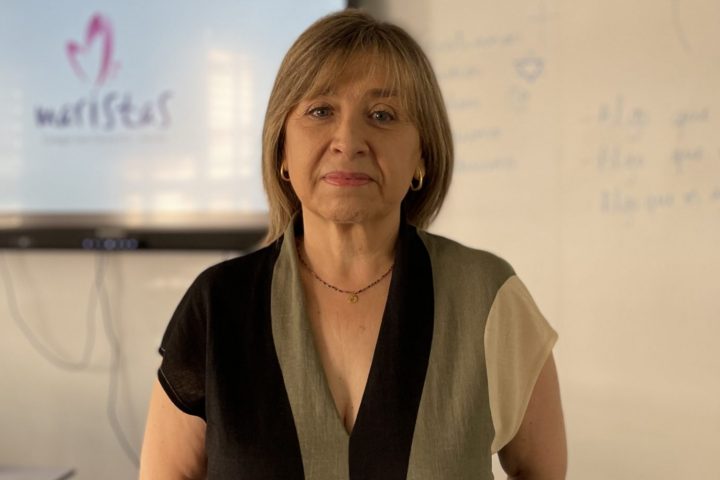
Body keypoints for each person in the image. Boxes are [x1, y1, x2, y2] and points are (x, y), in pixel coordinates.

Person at [139, 9, 566, 480]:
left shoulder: (487, 296)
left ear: (422, 155)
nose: (348, 141)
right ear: (282, 151)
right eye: (320, 111)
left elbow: (542, 471)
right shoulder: (218, 304)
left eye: (382, 115)